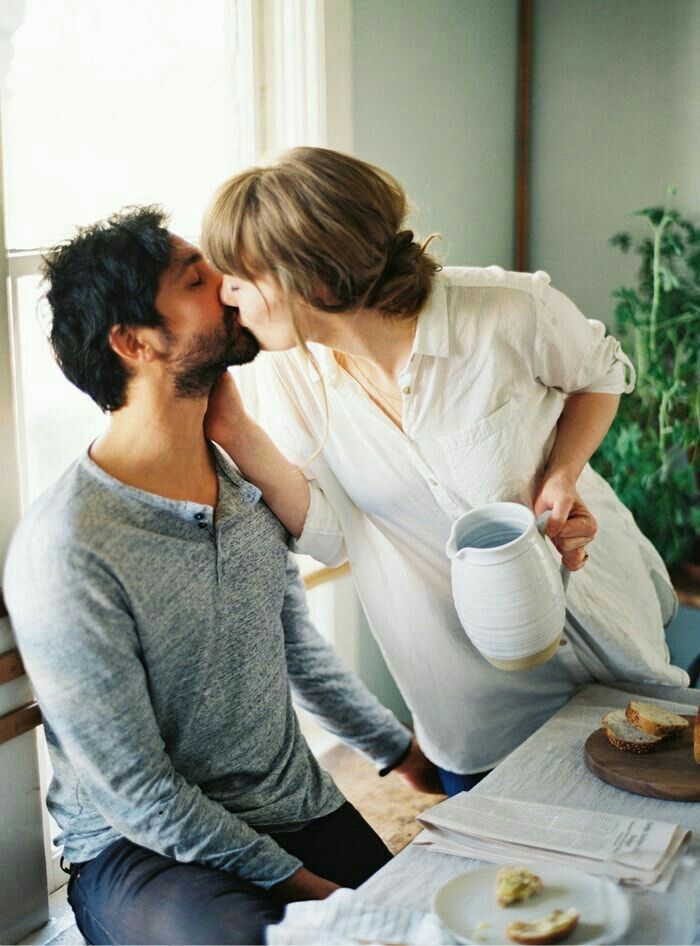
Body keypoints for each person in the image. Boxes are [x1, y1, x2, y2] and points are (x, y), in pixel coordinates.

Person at [3, 206, 441, 946]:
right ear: (134, 341)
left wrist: (403, 756)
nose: (234, 286)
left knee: (425, 929)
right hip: (137, 854)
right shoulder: (68, 547)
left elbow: (297, 652)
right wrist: (311, 893)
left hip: (292, 803)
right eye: (198, 280)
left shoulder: (239, 492)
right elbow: (139, 795)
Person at [200, 146, 689, 797]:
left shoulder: (505, 311)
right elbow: (333, 533)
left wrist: (562, 473)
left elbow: (600, 374)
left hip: (607, 625)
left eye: (240, 276)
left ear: (313, 280)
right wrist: (232, 431)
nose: (224, 292)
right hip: (472, 696)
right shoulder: (290, 379)